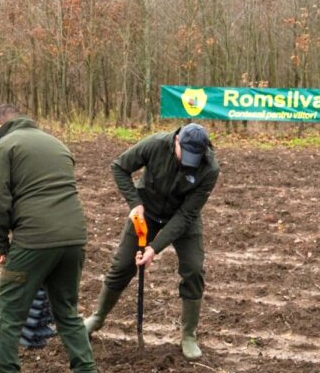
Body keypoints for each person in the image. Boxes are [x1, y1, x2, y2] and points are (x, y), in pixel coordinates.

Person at [0, 104, 100, 373]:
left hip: (34, 240)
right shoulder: (57, 143)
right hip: (74, 239)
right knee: (66, 309)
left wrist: (0, 245)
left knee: (9, 312)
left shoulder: (5, 145)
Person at [83, 122, 219, 360]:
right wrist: (135, 203)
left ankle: (188, 334)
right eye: (185, 153)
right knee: (122, 265)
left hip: (184, 218)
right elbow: (119, 167)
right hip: (146, 211)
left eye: (195, 157)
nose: (189, 160)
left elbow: (186, 215)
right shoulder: (155, 145)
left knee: (194, 269)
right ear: (176, 141)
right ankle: (97, 317)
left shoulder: (209, 168)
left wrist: (154, 248)